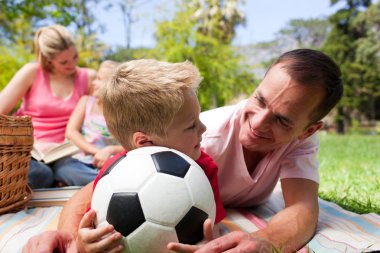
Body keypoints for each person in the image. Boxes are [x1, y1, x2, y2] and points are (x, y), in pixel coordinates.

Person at [22, 49, 343, 253]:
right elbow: (103, 188)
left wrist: (264, 241)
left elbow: (303, 209)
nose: (257, 123)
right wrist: (67, 237)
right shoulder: (201, 137)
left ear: (308, 129)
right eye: (258, 99)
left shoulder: (301, 141)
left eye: (283, 120)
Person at [0, 24, 96, 188]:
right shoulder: (31, 72)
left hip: (65, 153)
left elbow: (98, 116)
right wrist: (31, 143)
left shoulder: (88, 77)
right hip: (29, 150)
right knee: (40, 174)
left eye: (75, 57)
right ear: (48, 58)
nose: (72, 64)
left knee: (71, 172)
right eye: (64, 61)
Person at [55, 60, 124, 186]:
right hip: (80, 161)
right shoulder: (86, 102)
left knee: (120, 169)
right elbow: (71, 132)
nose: (94, 83)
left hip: (109, 162)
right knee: (63, 168)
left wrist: (111, 150)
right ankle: (104, 183)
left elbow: (131, 144)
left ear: (112, 85)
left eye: (99, 79)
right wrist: (96, 151)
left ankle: (99, 182)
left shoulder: (122, 112)